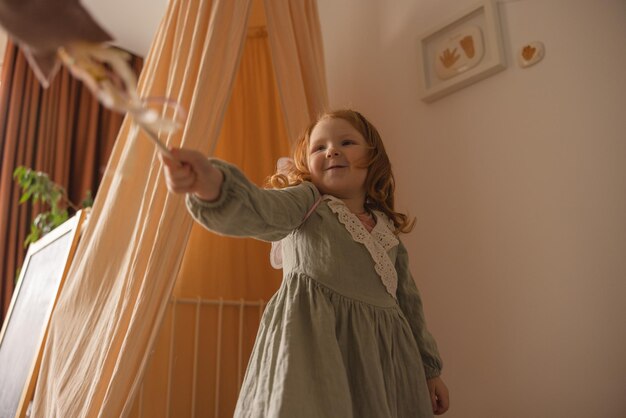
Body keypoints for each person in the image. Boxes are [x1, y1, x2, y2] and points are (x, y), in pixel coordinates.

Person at [161, 109, 450, 417]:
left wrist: (430, 369)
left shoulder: (387, 231)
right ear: (307, 164)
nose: (332, 151)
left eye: (347, 142)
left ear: (373, 157)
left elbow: (410, 305)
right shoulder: (307, 202)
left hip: (385, 362)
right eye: (319, 147)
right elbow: (261, 210)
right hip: (315, 350)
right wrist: (211, 184)